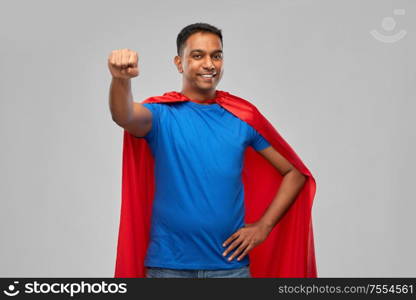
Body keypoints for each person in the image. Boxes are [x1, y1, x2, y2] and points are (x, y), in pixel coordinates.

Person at [109, 23, 317, 278]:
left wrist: (264, 226)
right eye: (198, 55)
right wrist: (121, 80)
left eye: (216, 56)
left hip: (230, 269)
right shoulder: (161, 114)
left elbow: (294, 172)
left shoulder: (242, 116)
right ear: (179, 63)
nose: (209, 64)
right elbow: (124, 114)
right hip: (168, 268)